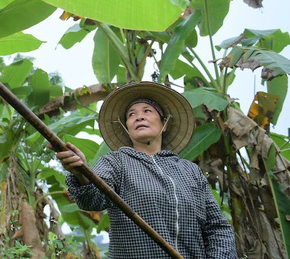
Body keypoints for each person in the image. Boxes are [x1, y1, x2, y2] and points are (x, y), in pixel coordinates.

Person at [55, 81, 236, 258]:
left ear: (164, 123)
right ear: (127, 127)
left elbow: (218, 228)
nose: (139, 117)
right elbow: (92, 199)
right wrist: (81, 172)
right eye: (131, 114)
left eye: (147, 111)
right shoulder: (115, 162)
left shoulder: (190, 171)